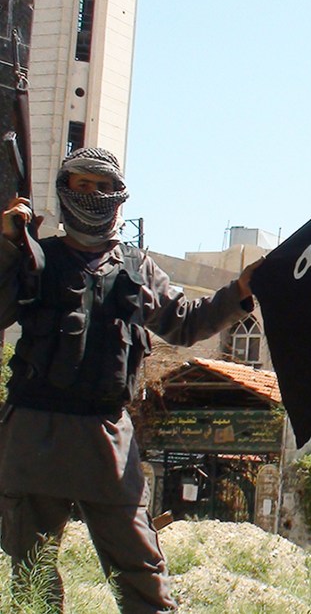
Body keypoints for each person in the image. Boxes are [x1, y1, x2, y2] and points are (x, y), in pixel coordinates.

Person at [0, 147, 261, 612]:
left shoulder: (136, 267)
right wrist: (7, 247)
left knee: (142, 578)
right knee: (32, 580)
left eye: (103, 186)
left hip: (106, 439)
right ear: (64, 190)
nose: (93, 195)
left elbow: (184, 323)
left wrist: (239, 291)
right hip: (32, 435)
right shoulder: (33, 255)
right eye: (82, 185)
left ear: (119, 196)